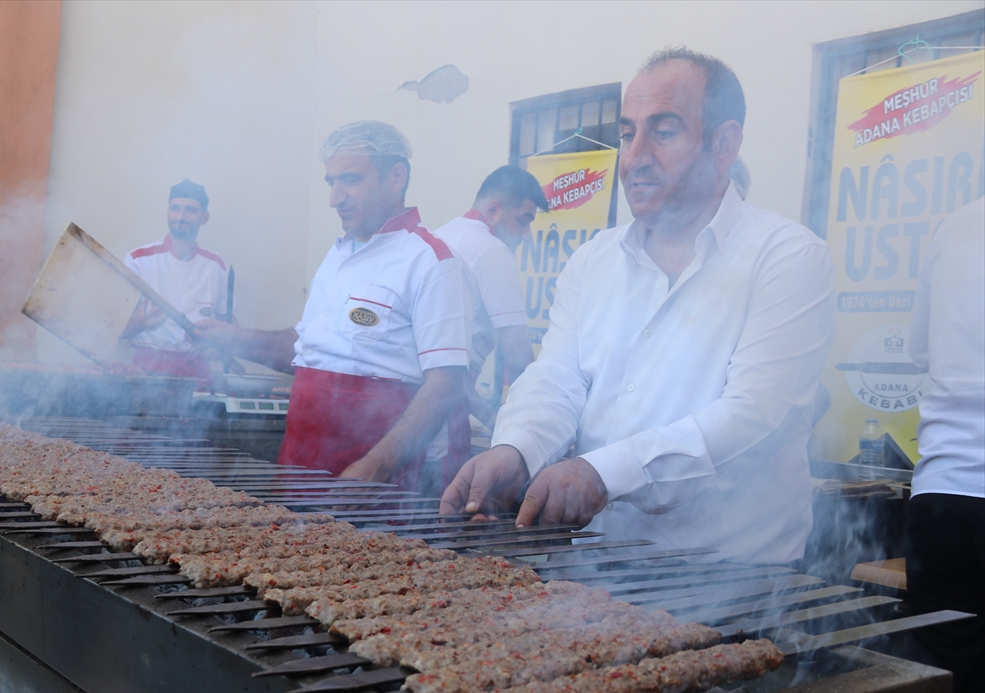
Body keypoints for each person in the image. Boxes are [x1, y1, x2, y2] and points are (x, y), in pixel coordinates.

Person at [440, 47, 836, 565]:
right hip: (592, 568)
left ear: (724, 143)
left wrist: (602, 473)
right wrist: (516, 449)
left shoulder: (787, 257)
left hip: (730, 577)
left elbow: (753, 418)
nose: (634, 156)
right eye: (628, 133)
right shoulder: (595, 259)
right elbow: (557, 379)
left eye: (664, 132)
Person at [195, 121, 471, 490]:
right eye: (330, 181)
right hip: (299, 465)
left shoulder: (431, 262)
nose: (334, 198)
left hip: (371, 483)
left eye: (351, 180)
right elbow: (309, 351)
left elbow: (447, 384)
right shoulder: (338, 253)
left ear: (396, 177)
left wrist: (377, 466)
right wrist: (233, 338)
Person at [903, 195, 984, 693]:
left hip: (944, 493)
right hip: (951, 489)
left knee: (944, 690)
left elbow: (920, 351)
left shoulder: (952, 225)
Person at [423, 167, 546, 489]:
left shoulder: (440, 235)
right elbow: (518, 354)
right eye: (524, 220)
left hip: (410, 419)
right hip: (442, 426)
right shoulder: (491, 250)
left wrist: (491, 418)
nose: (525, 235)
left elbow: (447, 371)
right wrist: (534, 436)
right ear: (494, 209)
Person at [121, 179, 229, 381]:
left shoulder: (216, 265)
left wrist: (221, 348)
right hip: (147, 368)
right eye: (175, 208)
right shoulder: (138, 260)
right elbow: (113, 330)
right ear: (168, 212)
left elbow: (226, 325)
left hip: (197, 371)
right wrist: (139, 325)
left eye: (190, 210)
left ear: (204, 217)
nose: (181, 216)